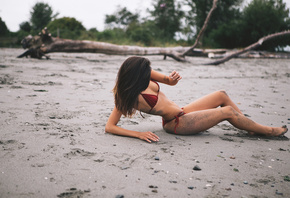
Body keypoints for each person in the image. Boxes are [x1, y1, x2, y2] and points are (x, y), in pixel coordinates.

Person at [105, 56, 288, 143]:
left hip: (183, 111)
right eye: (147, 71)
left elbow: (169, 82)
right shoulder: (128, 97)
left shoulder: (145, 74)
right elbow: (110, 127)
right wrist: (138, 134)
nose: (150, 72)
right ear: (136, 76)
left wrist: (173, 78)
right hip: (176, 123)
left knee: (221, 94)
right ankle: (268, 131)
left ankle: (250, 128)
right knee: (227, 112)